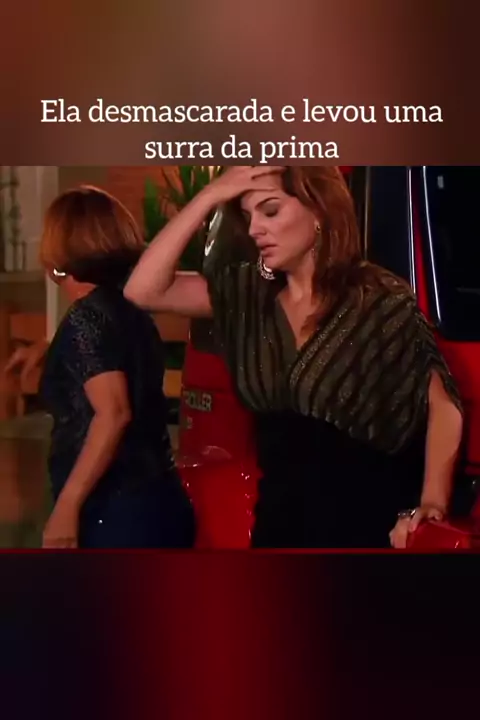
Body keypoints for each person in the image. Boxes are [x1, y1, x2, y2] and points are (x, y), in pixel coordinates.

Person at [124, 166, 464, 550]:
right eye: (248, 216)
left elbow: (442, 403)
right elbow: (142, 290)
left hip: (365, 528)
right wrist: (211, 195)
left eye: (270, 211)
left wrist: (432, 504)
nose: (255, 229)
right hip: (279, 527)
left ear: (319, 210)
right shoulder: (249, 295)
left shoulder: (379, 300)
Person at [33, 185, 195, 549]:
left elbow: (114, 413)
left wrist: (67, 507)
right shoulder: (131, 310)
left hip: (116, 510)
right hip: (158, 499)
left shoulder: (86, 318)